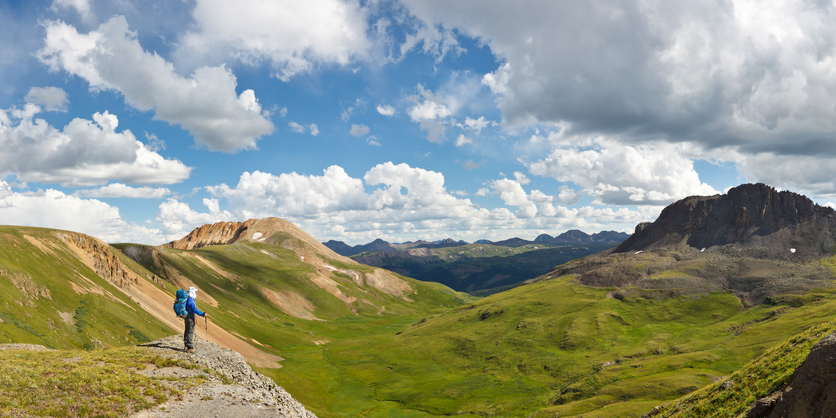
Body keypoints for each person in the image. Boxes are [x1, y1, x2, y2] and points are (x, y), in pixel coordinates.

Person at [184, 286, 207, 353]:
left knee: (187, 330)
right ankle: (190, 347)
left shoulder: (187, 298)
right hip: (190, 318)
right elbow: (195, 310)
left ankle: (186, 345)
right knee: (190, 331)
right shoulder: (191, 300)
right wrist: (203, 314)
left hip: (186, 317)